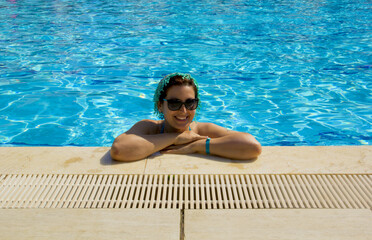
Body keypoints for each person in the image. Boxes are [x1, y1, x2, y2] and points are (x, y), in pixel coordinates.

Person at [111, 73, 262, 162]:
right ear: (159, 106)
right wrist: (176, 138)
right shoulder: (150, 128)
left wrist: (197, 145)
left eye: (190, 103)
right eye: (174, 103)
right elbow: (119, 150)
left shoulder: (202, 130)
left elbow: (252, 146)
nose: (183, 110)